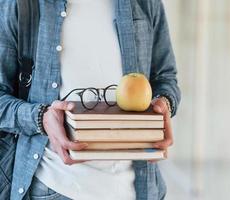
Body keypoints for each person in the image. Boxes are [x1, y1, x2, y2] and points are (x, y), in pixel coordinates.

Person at [0, 0, 181, 199]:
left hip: (137, 190)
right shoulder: (19, 4)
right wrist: (41, 118)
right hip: (54, 187)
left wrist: (165, 103)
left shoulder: (146, 3)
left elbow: (165, 77)